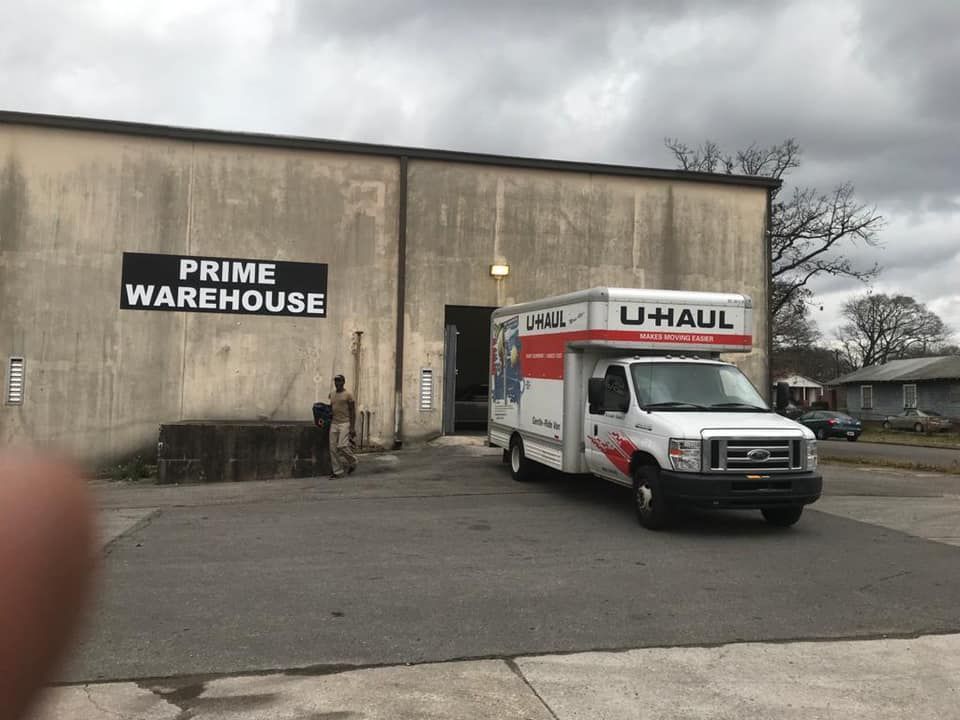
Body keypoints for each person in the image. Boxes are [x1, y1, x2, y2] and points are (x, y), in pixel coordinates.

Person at [328, 374, 358, 478]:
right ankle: (337, 471)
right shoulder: (331, 394)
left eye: (339, 381)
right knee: (332, 448)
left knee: (342, 445)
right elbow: (331, 408)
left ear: (343, 382)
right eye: (336, 381)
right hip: (334, 423)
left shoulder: (348, 395)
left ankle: (353, 461)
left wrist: (352, 427)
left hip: (345, 423)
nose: (337, 383)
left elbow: (352, 411)